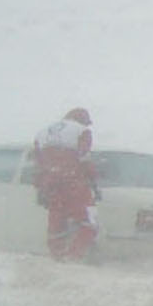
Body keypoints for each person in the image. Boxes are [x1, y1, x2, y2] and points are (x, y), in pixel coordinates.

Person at [32, 107, 100, 261]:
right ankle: (73, 257)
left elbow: (37, 165)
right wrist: (94, 182)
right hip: (73, 182)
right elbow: (84, 159)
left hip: (50, 185)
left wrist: (40, 188)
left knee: (56, 222)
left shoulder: (42, 133)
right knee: (89, 222)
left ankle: (57, 256)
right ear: (83, 120)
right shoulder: (82, 131)